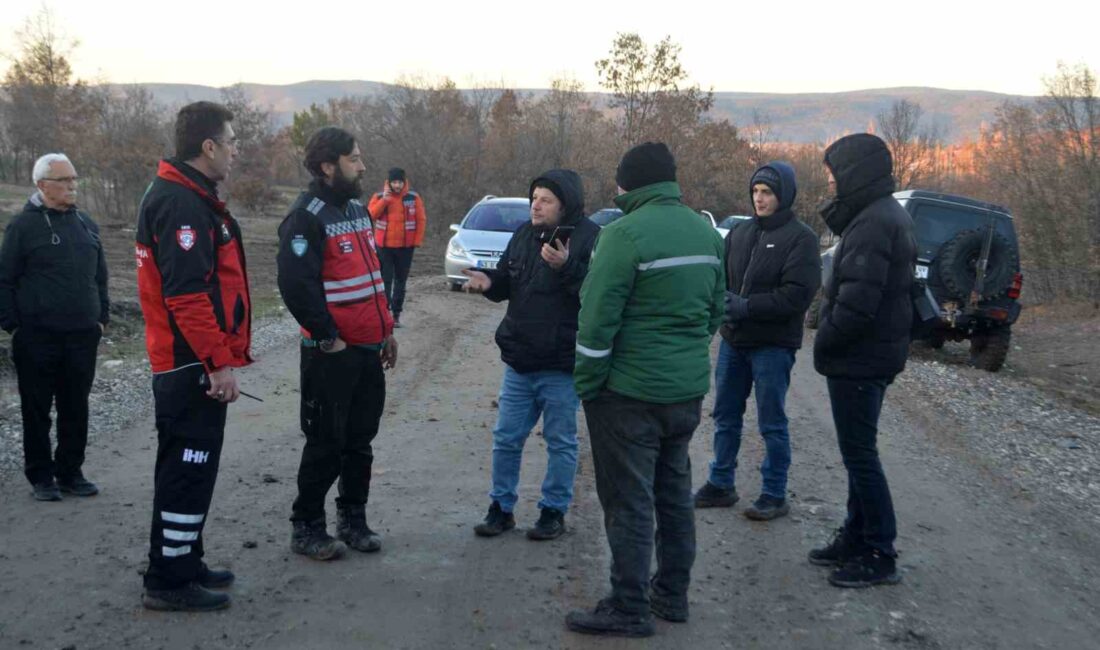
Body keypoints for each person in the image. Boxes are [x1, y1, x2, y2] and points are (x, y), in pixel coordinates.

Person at [566, 143, 725, 637]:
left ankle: (629, 605)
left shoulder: (622, 235)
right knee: (673, 493)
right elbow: (714, 313)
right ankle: (672, 595)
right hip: (684, 393)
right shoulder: (707, 233)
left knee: (629, 500)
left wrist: (588, 386)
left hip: (627, 396)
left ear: (627, 185)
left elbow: (595, 324)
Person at [135, 101, 249, 611]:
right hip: (188, 365)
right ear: (208, 147)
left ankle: (185, 559)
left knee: (190, 468)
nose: (235, 150)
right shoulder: (181, 203)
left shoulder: (191, 196)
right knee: (188, 466)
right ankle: (169, 581)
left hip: (187, 362)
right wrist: (217, 362)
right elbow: (186, 295)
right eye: (230, 141)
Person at [278, 127, 398, 561]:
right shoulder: (304, 217)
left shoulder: (357, 210)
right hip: (331, 354)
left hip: (368, 350)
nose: (363, 166)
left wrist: (386, 331)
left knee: (360, 439)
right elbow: (296, 286)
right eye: (354, 159)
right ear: (328, 166)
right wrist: (327, 338)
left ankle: (353, 519)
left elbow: (372, 277)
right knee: (325, 441)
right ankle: (307, 526)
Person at [462, 169, 598, 541]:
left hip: (561, 365)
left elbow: (597, 294)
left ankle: (553, 512)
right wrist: (489, 283)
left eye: (545, 199)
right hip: (520, 360)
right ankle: (500, 509)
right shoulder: (523, 234)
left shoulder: (590, 238)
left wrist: (565, 265)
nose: (536, 205)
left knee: (560, 442)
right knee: (506, 438)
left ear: (565, 204)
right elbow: (506, 279)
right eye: (534, 197)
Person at [809, 133, 915, 588]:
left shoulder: (875, 221)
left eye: (834, 173)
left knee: (860, 455)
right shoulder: (880, 214)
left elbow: (857, 303)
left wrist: (825, 342)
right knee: (858, 453)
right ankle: (855, 536)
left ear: (854, 172)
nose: (830, 182)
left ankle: (879, 550)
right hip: (870, 355)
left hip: (861, 357)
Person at [694, 162, 821, 520]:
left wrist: (749, 306)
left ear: (783, 195)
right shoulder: (739, 233)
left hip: (773, 345)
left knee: (771, 421)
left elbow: (797, 296)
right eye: (755, 192)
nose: (760, 199)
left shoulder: (802, 239)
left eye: (767, 193)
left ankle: (774, 492)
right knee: (725, 415)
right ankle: (721, 483)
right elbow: (721, 278)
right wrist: (723, 304)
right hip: (733, 341)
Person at [0, 153, 109, 501]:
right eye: (64, 180)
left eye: (74, 179)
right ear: (42, 185)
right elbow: (4, 280)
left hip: (82, 335)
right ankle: (41, 477)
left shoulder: (86, 224)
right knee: (37, 409)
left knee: (75, 406)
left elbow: (100, 275)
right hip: (37, 337)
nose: (72, 185)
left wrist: (101, 318)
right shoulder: (23, 227)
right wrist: (13, 325)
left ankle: (70, 472)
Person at [368, 167, 425, 327]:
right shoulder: (379, 196)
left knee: (401, 281)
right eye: (394, 182)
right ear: (389, 182)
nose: (397, 185)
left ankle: (396, 314)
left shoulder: (413, 198)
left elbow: (421, 220)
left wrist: (417, 241)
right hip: (384, 246)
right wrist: (384, 201)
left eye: (400, 182)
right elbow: (370, 215)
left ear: (404, 181)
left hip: (406, 247)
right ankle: (384, 313)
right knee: (385, 281)